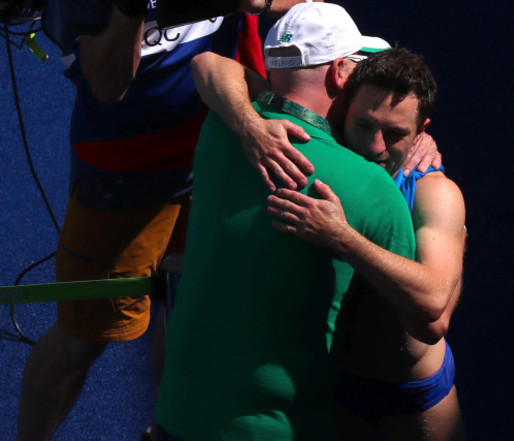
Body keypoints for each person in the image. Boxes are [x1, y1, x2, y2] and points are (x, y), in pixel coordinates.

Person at [15, 1, 314, 440]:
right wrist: (129, 10)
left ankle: (165, 431)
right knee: (84, 336)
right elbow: (109, 84)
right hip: (125, 177)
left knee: (188, 318)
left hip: (216, 155)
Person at [154, 3, 418, 440]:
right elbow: (407, 326)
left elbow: (210, 65)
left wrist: (247, 124)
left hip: (176, 416)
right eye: (362, 70)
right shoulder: (374, 189)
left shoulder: (219, 127)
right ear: (339, 75)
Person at [267, 48, 467, 441]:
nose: (376, 147)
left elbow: (433, 314)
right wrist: (249, 124)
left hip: (412, 396)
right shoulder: (323, 154)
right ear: (341, 114)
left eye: (395, 134)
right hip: (336, 386)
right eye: (365, 125)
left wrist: (341, 237)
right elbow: (211, 67)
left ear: (421, 131)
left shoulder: (434, 193)